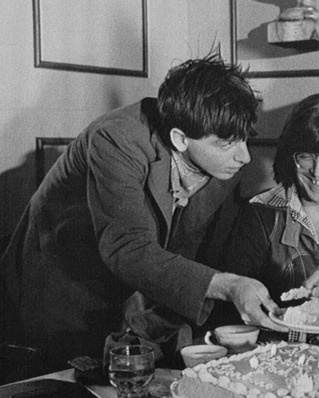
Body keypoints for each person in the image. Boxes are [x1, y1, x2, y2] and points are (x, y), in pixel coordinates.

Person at [0, 55, 286, 373]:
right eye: (228, 143)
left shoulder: (220, 158)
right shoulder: (116, 138)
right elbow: (128, 249)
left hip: (124, 303)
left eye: (245, 138)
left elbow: (186, 255)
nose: (245, 155)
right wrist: (230, 286)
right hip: (55, 296)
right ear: (180, 139)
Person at [219, 93, 319, 316]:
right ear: (290, 156)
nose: (318, 172)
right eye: (306, 157)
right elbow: (231, 309)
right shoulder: (259, 215)